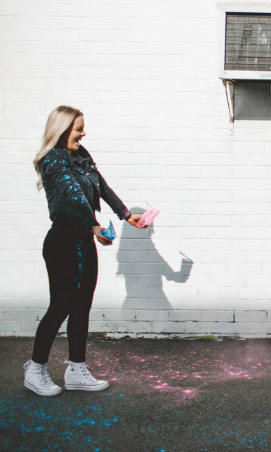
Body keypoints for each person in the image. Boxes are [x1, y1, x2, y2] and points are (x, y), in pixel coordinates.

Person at [25, 106, 145, 396]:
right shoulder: (53, 159)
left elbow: (99, 184)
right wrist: (93, 225)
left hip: (83, 241)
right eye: (78, 128)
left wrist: (125, 214)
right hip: (63, 241)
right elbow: (74, 195)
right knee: (61, 304)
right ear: (63, 129)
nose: (83, 133)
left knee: (82, 305)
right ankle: (35, 367)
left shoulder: (80, 154)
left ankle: (76, 369)